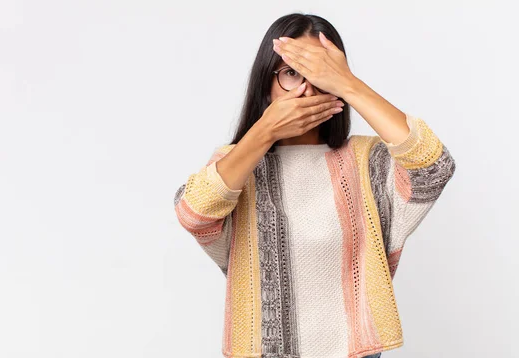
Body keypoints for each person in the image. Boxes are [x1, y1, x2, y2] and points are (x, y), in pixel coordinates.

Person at [173, 12, 456, 358]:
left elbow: (434, 166)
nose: (307, 90)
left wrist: (349, 84)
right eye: (291, 73)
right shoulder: (237, 165)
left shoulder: (366, 161)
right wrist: (264, 132)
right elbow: (194, 214)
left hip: (356, 351)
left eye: (321, 75)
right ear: (267, 81)